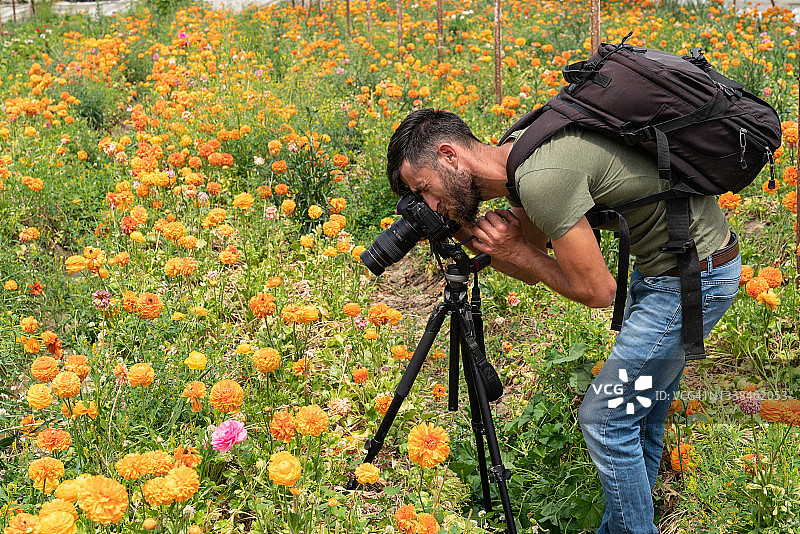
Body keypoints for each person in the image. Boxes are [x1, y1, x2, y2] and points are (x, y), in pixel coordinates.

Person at [385, 108, 741, 534]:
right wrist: (468, 234)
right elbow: (530, 266)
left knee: (606, 416)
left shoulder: (540, 178)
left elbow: (600, 291)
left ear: (449, 155)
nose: (429, 204)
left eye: (425, 189)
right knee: (637, 414)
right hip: (669, 268)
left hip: (694, 278)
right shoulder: (518, 156)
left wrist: (519, 251)